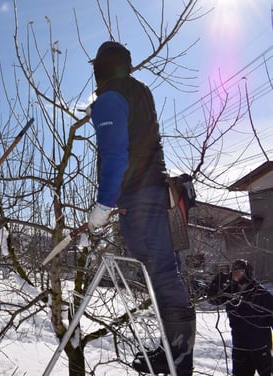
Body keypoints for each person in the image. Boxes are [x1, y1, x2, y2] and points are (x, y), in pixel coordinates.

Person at [87, 41, 196, 375]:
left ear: (100, 68)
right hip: (159, 193)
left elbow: (117, 156)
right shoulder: (142, 92)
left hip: (140, 197)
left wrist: (104, 203)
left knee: (159, 271)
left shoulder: (108, 99)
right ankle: (175, 349)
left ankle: (177, 353)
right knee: (166, 269)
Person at [206, 259, 273, 376]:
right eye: (234, 270)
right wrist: (217, 282)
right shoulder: (231, 292)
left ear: (247, 272)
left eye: (240, 270)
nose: (236, 273)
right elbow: (213, 300)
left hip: (260, 345)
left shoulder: (260, 293)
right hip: (240, 346)